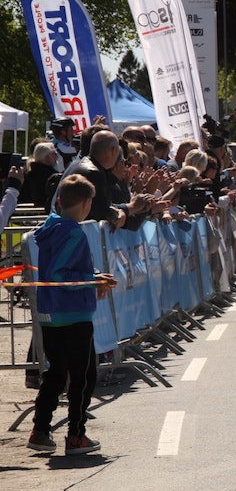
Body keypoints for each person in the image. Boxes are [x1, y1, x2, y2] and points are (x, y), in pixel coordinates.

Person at [27, 174, 117, 456]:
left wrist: (93, 277)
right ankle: (76, 435)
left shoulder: (51, 226)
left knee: (55, 373)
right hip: (73, 313)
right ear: (86, 203)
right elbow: (59, 273)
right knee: (82, 376)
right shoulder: (74, 232)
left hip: (52, 313)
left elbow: (61, 268)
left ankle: (40, 430)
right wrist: (91, 280)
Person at [22, 143, 60, 207]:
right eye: (54, 154)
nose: (57, 157)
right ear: (47, 157)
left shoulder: (27, 176)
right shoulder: (53, 177)